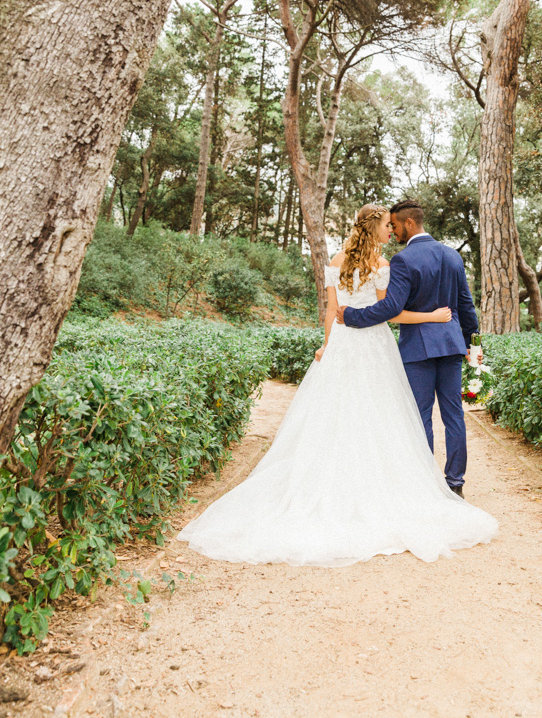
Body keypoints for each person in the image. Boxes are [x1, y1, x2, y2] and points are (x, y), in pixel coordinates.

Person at [177, 203, 497, 567]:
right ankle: (443, 483)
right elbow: (407, 310)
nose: (390, 232)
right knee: (410, 415)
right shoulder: (398, 263)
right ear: (376, 228)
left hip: (346, 344)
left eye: (394, 226)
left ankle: (345, 483)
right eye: (386, 227)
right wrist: (459, 333)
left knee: (352, 414)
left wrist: (329, 343)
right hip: (395, 345)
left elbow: (332, 311)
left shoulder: (338, 260)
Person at [338, 199, 479, 498]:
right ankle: (455, 483)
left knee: (421, 416)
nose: (394, 230)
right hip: (452, 346)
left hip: (419, 350)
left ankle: (426, 481)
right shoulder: (453, 256)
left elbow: (390, 307)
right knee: (454, 415)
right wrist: (472, 344)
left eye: (396, 225)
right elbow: (466, 306)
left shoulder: (404, 260)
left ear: (410, 224)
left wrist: (352, 316)